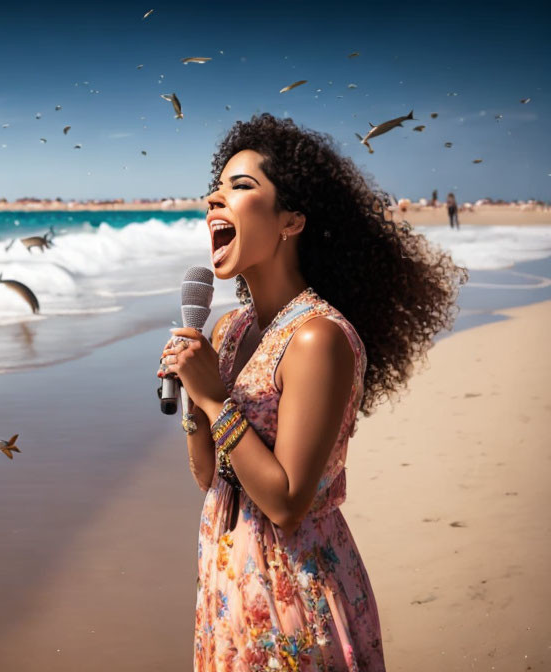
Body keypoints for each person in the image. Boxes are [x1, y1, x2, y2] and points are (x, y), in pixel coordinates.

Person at [157, 113, 468, 671]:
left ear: (291, 220)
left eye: (240, 187)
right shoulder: (227, 332)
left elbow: (287, 501)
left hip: (292, 596)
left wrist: (211, 399)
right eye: (214, 189)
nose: (212, 199)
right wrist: (191, 396)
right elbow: (210, 477)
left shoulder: (317, 338)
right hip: (228, 582)